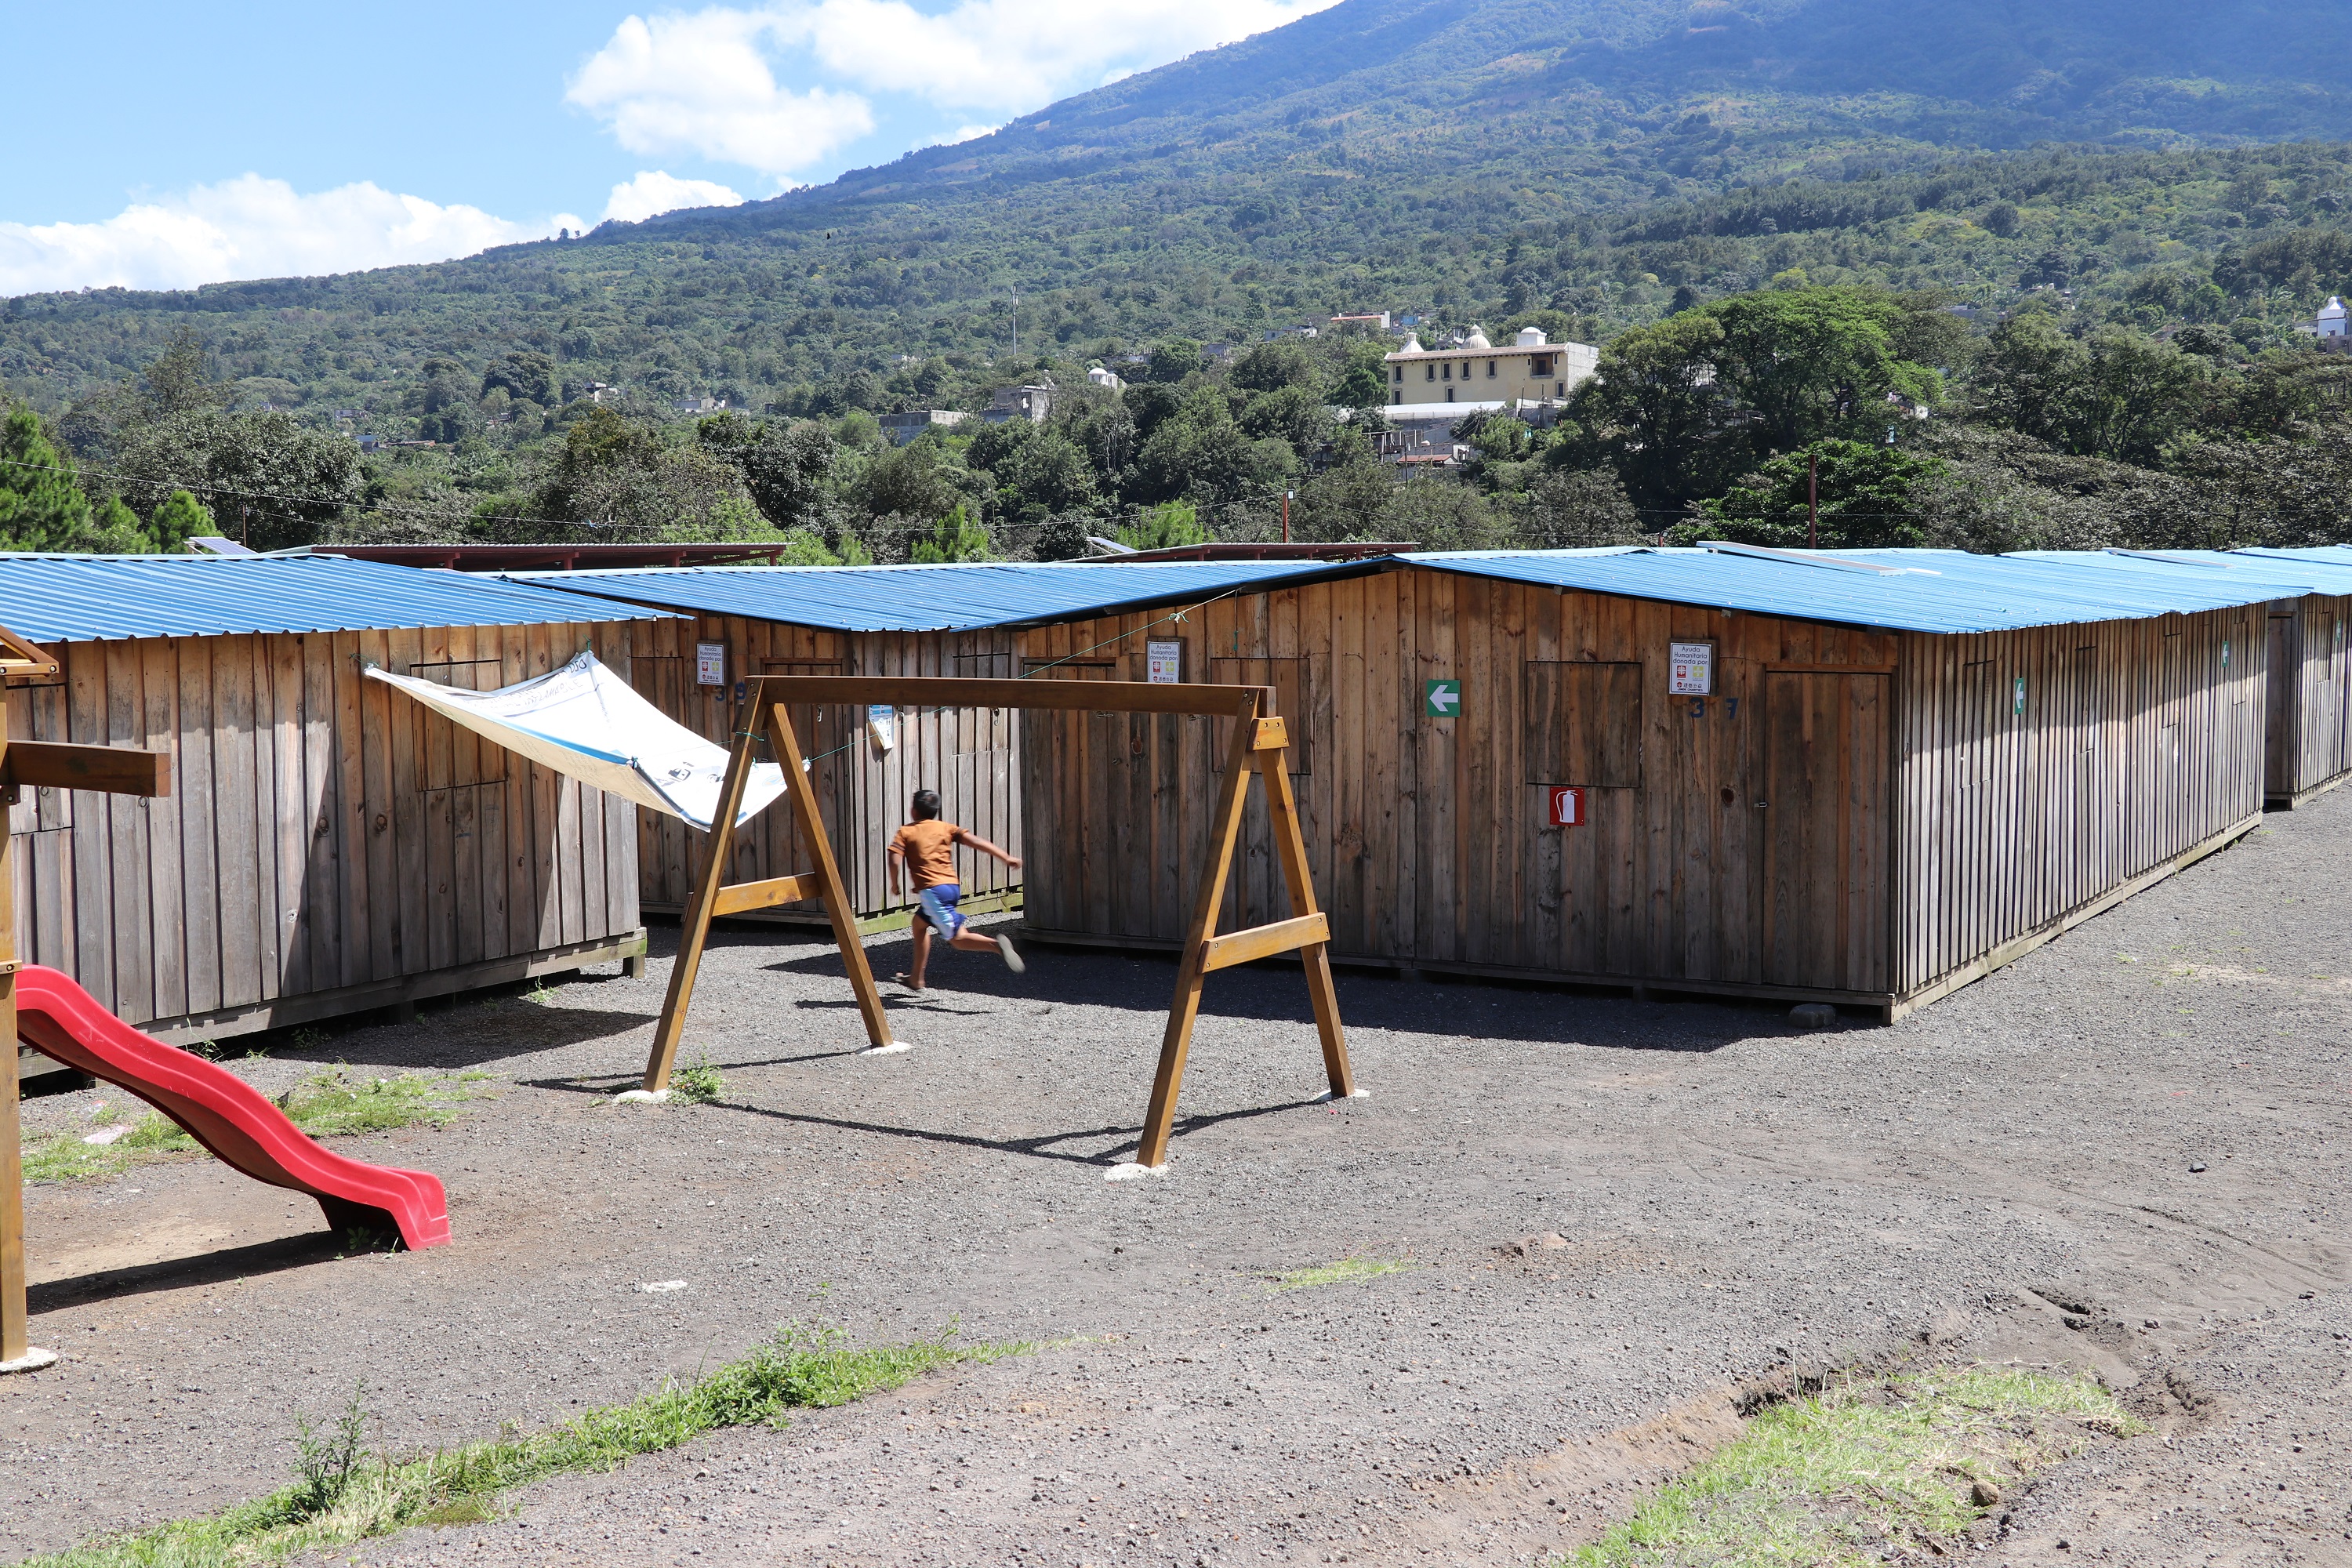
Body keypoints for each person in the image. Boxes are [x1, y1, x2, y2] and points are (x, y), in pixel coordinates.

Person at [887, 789, 1023, 990]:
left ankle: (996, 946)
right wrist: (1006, 857)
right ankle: (916, 978)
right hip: (951, 887)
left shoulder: (906, 832)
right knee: (919, 925)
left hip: (933, 892)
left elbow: (894, 860)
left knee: (958, 939)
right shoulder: (945, 828)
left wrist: (895, 884)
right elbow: (976, 842)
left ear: (913, 811)